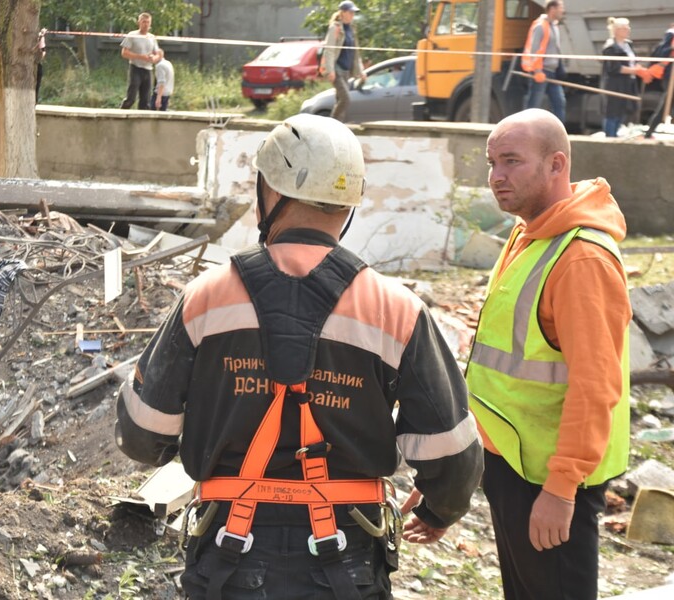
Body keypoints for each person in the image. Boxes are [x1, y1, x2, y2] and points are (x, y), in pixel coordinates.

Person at [114, 113, 483, 599]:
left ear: (270, 189)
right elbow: (452, 455)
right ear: (349, 202)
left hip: (227, 557)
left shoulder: (207, 298)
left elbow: (144, 436)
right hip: (345, 560)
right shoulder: (395, 310)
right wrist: (438, 510)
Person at [467, 108, 631, 600]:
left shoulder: (581, 259)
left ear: (557, 164)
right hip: (514, 470)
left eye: (512, 161)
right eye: (492, 162)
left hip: (551, 483)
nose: (497, 177)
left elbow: (594, 385)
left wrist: (560, 489)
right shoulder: (530, 233)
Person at [320, 1, 366, 122]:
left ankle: (339, 127)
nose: (352, 15)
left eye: (353, 13)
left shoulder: (351, 29)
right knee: (346, 99)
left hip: (346, 71)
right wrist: (330, 70)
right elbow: (329, 50)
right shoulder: (335, 28)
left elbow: (356, 53)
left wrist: (361, 70)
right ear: (343, 13)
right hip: (337, 70)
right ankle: (332, 124)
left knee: (340, 100)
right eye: (350, 12)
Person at [601, 17, 647, 137]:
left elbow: (632, 61)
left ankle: (615, 133)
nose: (628, 30)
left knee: (623, 110)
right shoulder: (610, 47)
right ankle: (610, 136)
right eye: (625, 28)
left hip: (628, 82)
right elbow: (614, 68)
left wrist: (638, 68)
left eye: (628, 27)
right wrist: (635, 70)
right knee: (612, 111)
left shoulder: (628, 45)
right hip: (615, 84)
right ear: (616, 30)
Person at [522, 1, 567, 123]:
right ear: (552, 9)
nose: (563, 11)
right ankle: (527, 129)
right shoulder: (540, 26)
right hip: (541, 71)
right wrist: (537, 71)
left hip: (553, 72)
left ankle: (558, 134)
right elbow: (534, 50)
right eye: (560, 8)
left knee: (559, 103)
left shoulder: (555, 26)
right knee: (534, 104)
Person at [119, 13, 161, 110]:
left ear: (150, 24)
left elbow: (158, 53)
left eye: (148, 22)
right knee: (131, 98)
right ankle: (120, 115)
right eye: (143, 22)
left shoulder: (152, 37)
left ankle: (143, 122)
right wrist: (140, 57)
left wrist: (154, 58)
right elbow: (124, 53)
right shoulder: (132, 35)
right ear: (139, 23)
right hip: (135, 68)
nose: (146, 24)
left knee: (145, 101)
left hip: (148, 70)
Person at [643, 24, 674, 139]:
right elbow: (662, 52)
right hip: (671, 76)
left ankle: (649, 133)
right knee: (665, 106)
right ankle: (648, 133)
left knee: (665, 106)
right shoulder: (670, 36)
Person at [35, 27, 47, 104]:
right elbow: (43, 51)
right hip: (36, 63)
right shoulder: (40, 36)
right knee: (37, 81)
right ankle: (35, 99)